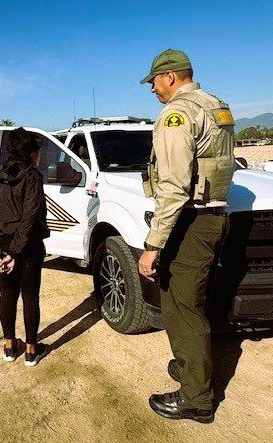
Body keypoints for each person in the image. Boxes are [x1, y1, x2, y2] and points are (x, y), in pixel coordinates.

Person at [138, 49, 235, 423]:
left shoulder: (177, 114)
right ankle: (190, 367)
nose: (153, 90)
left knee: (184, 306)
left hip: (191, 220)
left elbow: (175, 187)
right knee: (179, 296)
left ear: (172, 77)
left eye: (155, 82)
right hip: (212, 214)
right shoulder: (216, 106)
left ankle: (196, 398)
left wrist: (152, 245)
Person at [0, 127, 50, 366]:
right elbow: (30, 218)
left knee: (7, 295)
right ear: (28, 151)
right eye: (37, 151)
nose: (38, 156)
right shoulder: (32, 177)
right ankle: (30, 350)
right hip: (26, 249)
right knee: (29, 296)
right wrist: (14, 252)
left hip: (3, 248)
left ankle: (10, 347)